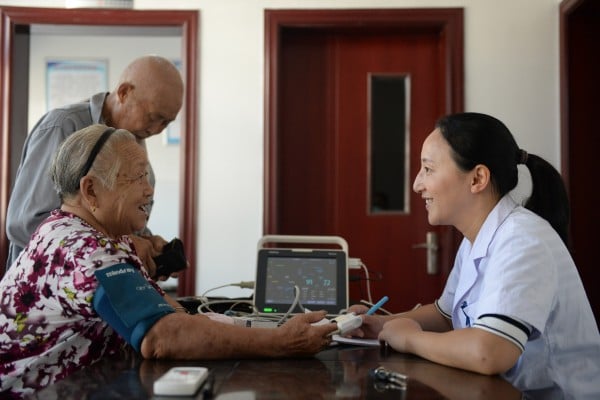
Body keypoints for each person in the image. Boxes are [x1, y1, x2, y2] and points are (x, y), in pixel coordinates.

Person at [0, 124, 337, 396]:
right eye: (137, 177)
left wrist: (270, 326)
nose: (149, 191)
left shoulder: (104, 237)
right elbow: (162, 338)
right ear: (90, 191)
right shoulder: (80, 248)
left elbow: (168, 313)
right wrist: (280, 343)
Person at [349, 112, 600, 398]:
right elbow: (447, 315)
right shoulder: (477, 239)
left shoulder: (523, 240)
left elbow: (489, 352)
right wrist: (383, 324)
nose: (418, 184)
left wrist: (410, 338)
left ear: (478, 178)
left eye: (428, 169)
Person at [5, 55, 184, 276]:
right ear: (124, 92)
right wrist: (121, 247)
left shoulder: (133, 142)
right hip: (45, 293)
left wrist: (147, 244)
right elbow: (25, 223)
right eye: (154, 117)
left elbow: (120, 225)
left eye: (168, 122)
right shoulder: (63, 126)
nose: (158, 130)